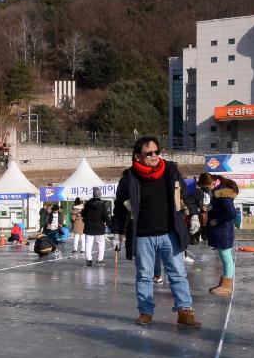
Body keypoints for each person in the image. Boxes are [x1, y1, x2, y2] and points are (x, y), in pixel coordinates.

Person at [112, 136, 200, 327]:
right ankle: (145, 312)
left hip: (170, 232)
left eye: (156, 152)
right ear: (137, 156)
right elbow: (119, 208)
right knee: (144, 275)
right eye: (148, 153)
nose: (154, 156)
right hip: (143, 235)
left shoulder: (170, 171)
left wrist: (193, 214)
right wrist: (116, 232)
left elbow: (185, 195)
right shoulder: (129, 178)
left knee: (177, 273)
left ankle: (185, 311)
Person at [197, 173, 239, 295]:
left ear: (213, 183)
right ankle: (224, 284)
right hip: (221, 230)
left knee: (226, 258)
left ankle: (226, 286)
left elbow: (232, 214)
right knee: (225, 258)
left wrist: (217, 220)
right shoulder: (218, 192)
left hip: (223, 230)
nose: (205, 191)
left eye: (205, 188)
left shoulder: (223, 195)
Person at [82, 187, 110, 267]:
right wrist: (110, 224)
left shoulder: (87, 204)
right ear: (100, 195)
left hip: (89, 227)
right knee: (101, 244)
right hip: (99, 228)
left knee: (88, 244)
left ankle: (89, 261)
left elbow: (83, 214)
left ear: (93, 195)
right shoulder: (102, 205)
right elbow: (106, 217)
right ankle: (100, 260)